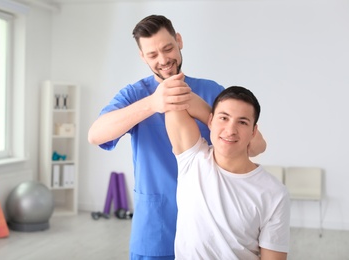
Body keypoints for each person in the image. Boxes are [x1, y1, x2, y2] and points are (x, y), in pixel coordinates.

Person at [88, 15, 266, 259]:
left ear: (179, 41)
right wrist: (153, 103)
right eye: (152, 55)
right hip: (155, 230)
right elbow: (95, 135)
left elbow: (256, 147)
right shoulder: (134, 94)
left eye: (168, 48)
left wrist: (205, 112)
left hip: (209, 231)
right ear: (142, 57)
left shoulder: (212, 91)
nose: (163, 60)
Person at [165, 84, 290, 260]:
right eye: (224, 118)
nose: (231, 130)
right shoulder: (192, 160)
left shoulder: (274, 193)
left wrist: (221, 119)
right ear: (210, 121)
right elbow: (173, 97)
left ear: (254, 131)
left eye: (242, 122)